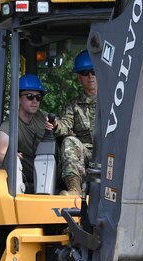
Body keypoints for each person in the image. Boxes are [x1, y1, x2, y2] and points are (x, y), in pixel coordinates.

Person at [0, 74, 54, 189]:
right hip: (26, 182)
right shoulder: (10, 125)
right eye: (30, 97)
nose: (35, 101)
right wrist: (11, 156)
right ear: (18, 98)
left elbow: (61, 127)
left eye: (38, 97)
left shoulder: (44, 117)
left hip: (50, 177)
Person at [51, 50, 97, 195]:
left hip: (111, 151)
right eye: (84, 72)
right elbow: (65, 124)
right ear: (78, 77)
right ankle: (74, 190)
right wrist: (56, 125)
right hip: (85, 154)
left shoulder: (115, 101)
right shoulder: (73, 105)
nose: (90, 76)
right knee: (70, 141)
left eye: (93, 71)